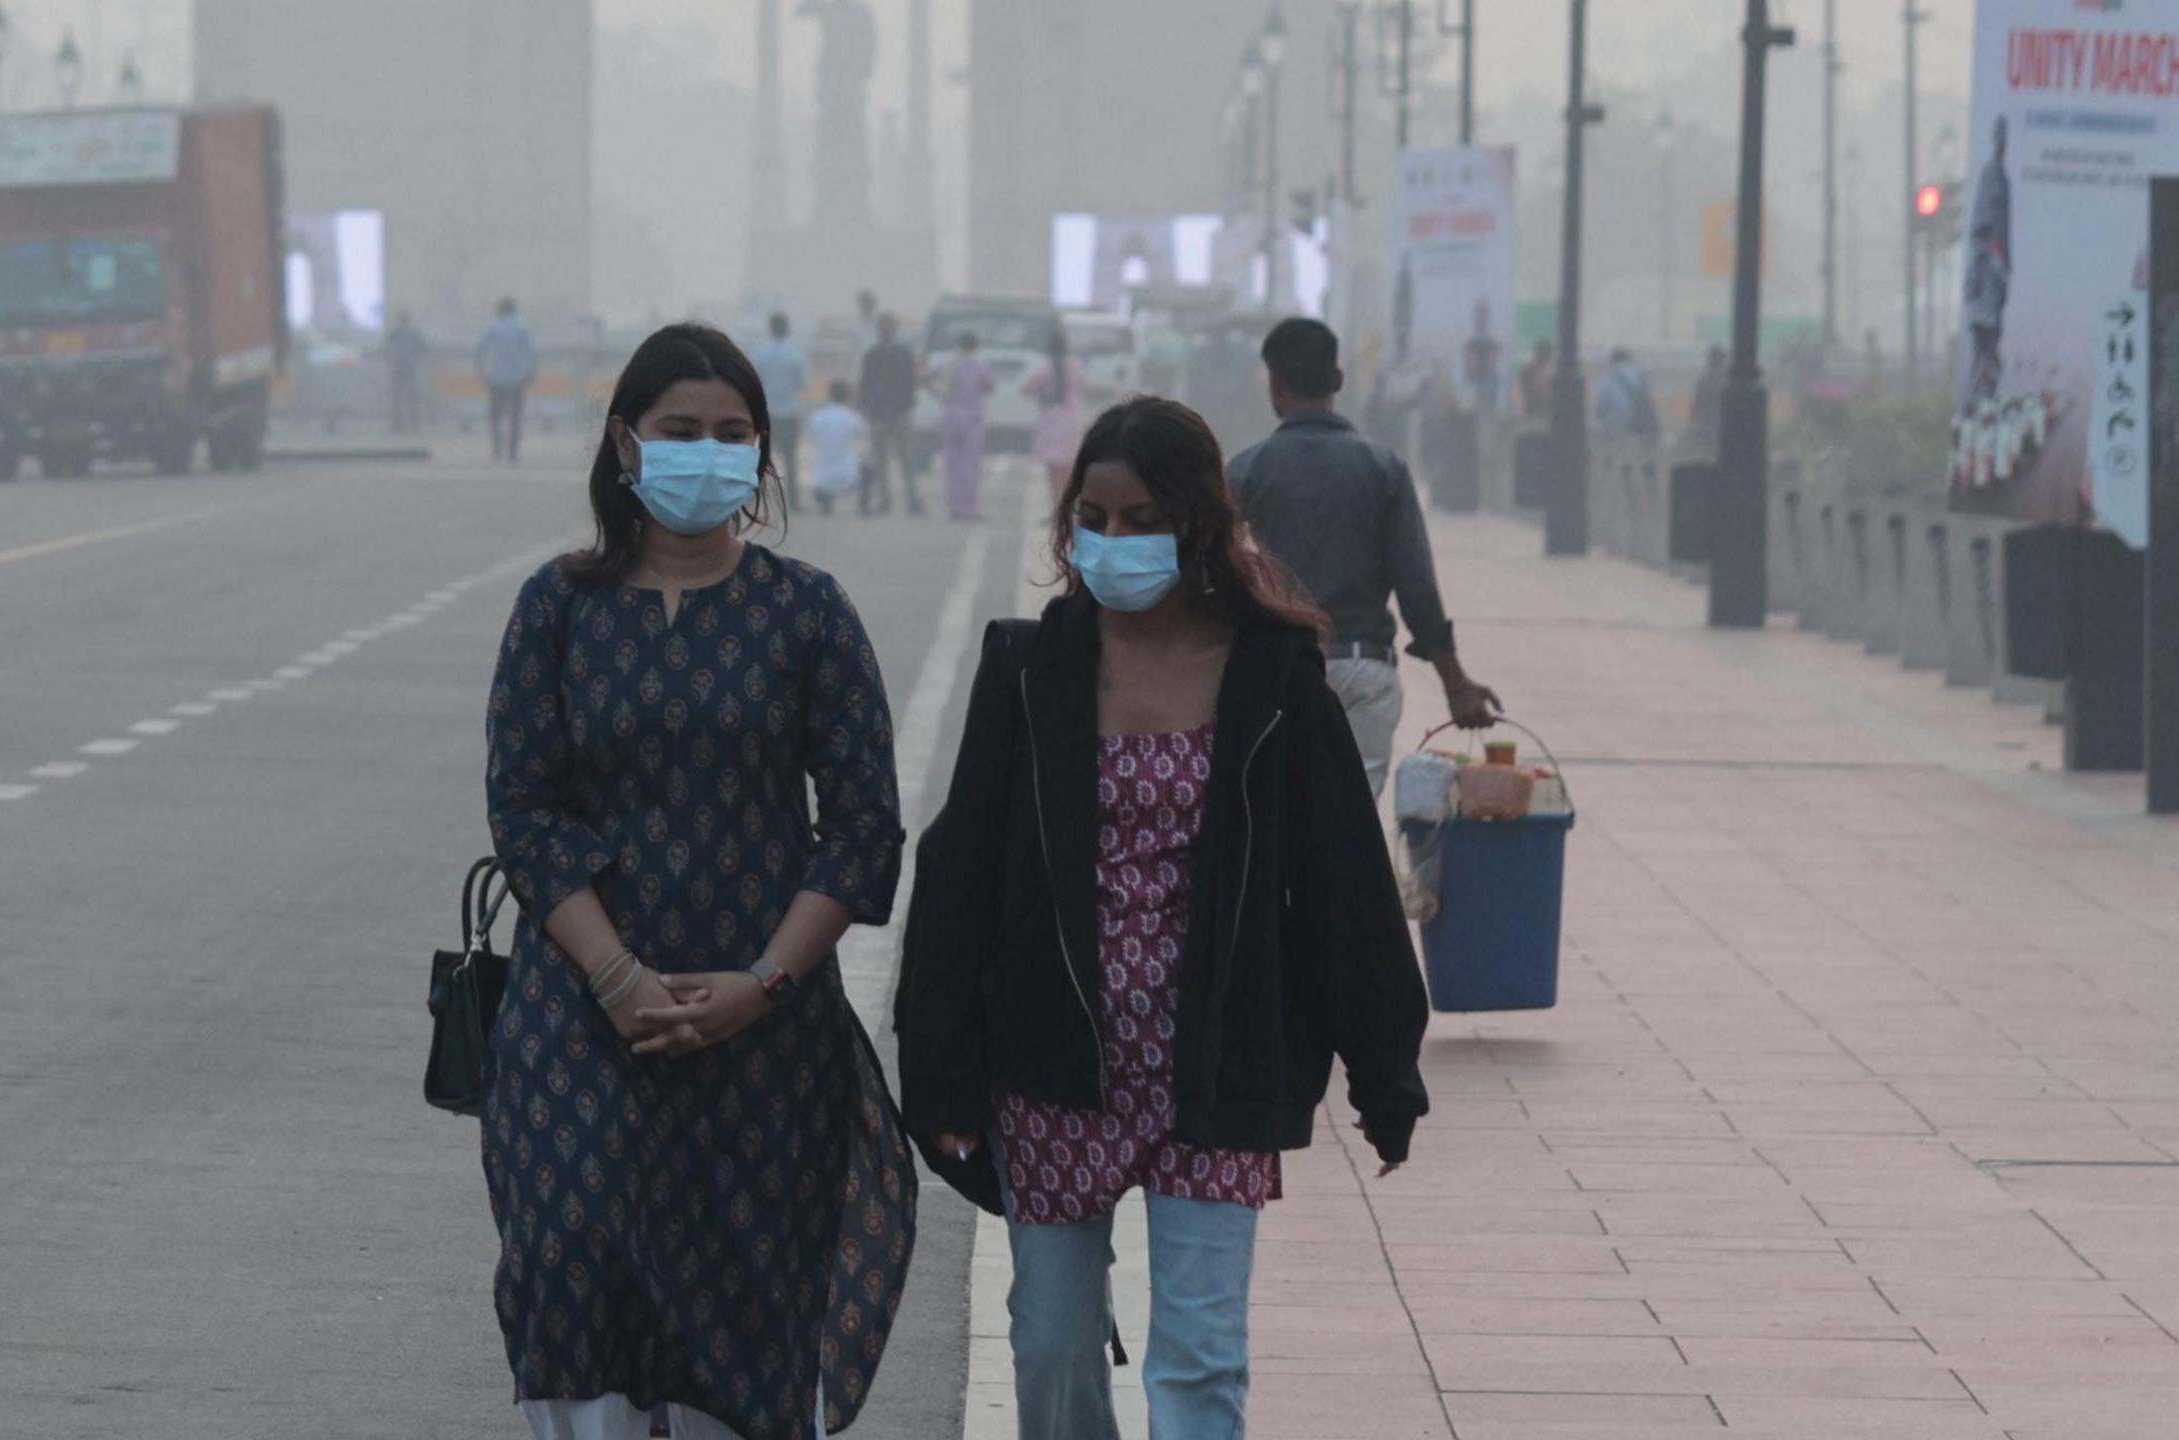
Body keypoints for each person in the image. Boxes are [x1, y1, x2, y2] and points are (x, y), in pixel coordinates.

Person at [896, 395, 1430, 1440]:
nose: (1114, 542)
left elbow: (1345, 884)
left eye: (1142, 520)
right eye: (1093, 519)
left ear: (1197, 525)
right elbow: (960, 876)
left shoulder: (1274, 680)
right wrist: (942, 1068)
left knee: (1200, 1358)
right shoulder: (1029, 671)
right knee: (1050, 1344)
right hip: (1054, 1067)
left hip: (1215, 1067)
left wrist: (1384, 1069)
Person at [482, 322, 914, 1440]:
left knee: (743, 1293)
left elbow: (863, 829)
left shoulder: (807, 612)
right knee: (571, 1255)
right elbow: (524, 811)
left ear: (761, 453)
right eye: (681, 430)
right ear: (626, 443)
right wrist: (617, 978)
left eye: (732, 434)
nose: (707, 453)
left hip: (764, 1024)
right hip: (580, 1011)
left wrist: (762, 984)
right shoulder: (555, 608)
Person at [1230, 319, 1502, 796]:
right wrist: (1455, 684)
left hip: (1280, 669)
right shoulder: (1383, 469)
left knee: (1280, 811)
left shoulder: (1248, 470)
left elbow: (1212, 565)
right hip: (1364, 670)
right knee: (1351, 821)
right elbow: (1415, 586)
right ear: (1337, 381)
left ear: (1275, 386)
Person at [1962, 115, 2012, 408]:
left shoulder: (2002, 176)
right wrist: (1993, 253)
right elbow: (1981, 228)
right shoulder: (1990, 175)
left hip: (1997, 277)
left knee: (1991, 341)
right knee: (1984, 345)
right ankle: (1978, 399)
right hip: (1986, 282)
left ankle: (1987, 397)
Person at [856, 312, 919, 516]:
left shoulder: (904, 354)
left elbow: (911, 381)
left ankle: (913, 500)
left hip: (900, 412)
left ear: (894, 329)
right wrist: (865, 407)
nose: (886, 331)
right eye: (883, 328)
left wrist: (908, 404)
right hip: (878, 414)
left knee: (907, 459)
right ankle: (885, 500)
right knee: (880, 461)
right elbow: (865, 383)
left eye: (889, 327)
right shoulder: (871, 355)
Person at [935, 331, 995, 522]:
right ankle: (969, 507)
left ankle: (954, 506)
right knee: (970, 464)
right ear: (976, 346)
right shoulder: (981, 365)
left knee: (952, 463)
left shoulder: (948, 363)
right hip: (973, 418)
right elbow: (989, 387)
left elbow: (932, 379)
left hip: (951, 416)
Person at [753, 311, 809, 508]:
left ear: (771, 329)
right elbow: (801, 383)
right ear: (787, 329)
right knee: (790, 458)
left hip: (768, 412)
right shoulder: (795, 354)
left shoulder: (761, 354)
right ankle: (794, 500)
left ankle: (760, 500)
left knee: (763, 457)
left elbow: (756, 381)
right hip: (790, 411)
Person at [1023, 324, 1084, 505]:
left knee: (1052, 469)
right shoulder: (1075, 365)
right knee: (1067, 469)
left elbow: (1026, 388)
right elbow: (1082, 386)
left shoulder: (1046, 366)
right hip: (1070, 418)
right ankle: (1065, 507)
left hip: (1050, 419)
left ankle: (1056, 506)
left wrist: (1043, 394)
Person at [476, 297, 538, 463]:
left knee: (496, 416)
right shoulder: (523, 327)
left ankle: (497, 449)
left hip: (496, 378)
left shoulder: (494, 326)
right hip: (518, 378)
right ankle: (513, 452)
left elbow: (480, 349)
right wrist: (530, 372)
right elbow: (532, 352)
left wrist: (482, 371)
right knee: (516, 417)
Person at [805, 377, 868, 519]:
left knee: (823, 473)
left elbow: (811, 433)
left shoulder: (818, 416)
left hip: (823, 475)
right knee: (869, 465)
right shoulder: (852, 416)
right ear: (847, 396)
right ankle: (863, 504)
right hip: (848, 473)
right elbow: (863, 431)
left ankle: (825, 499)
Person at [1593, 347, 1660, 443]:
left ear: (1612, 361)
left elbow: (1601, 406)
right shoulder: (1638, 373)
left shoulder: (1606, 377)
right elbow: (1646, 397)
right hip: (1638, 418)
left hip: (1616, 419)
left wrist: (1600, 418)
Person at [388, 311, 430, 434]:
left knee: (397, 397)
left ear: (399, 320)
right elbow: (425, 348)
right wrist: (416, 355)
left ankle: (397, 423)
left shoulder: (395, 332)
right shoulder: (415, 332)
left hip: (398, 367)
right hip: (411, 367)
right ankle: (413, 422)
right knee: (412, 396)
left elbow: (386, 346)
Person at [1688, 345, 1730, 455]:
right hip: (1723, 423)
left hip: (1708, 423)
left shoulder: (1706, 377)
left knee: (1709, 450)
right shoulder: (1728, 378)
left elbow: (1698, 401)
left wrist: (1693, 418)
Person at [1516, 337, 1555, 419]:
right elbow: (1527, 391)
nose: (1548, 356)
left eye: (1548, 353)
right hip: (1531, 412)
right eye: (1545, 352)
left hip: (1544, 412)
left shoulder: (1549, 372)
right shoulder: (1527, 370)